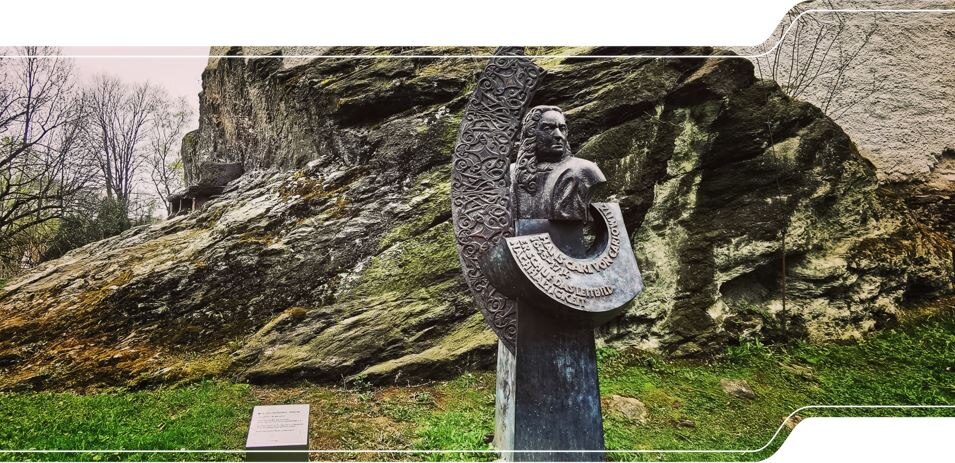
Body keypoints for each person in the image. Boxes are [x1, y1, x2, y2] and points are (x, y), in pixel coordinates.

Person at [512, 105, 606, 221]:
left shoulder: (585, 170)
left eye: (562, 128)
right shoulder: (510, 175)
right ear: (531, 133)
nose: (559, 135)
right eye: (548, 129)